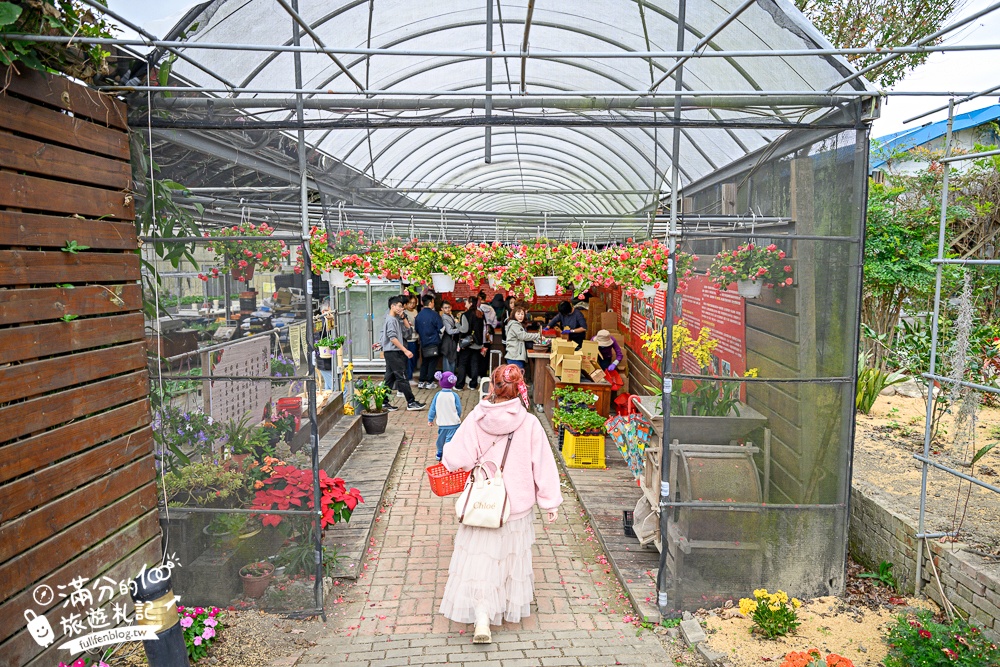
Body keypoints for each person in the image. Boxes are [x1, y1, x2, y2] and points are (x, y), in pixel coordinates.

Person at [440, 364, 562, 644]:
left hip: (482, 502)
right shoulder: (529, 422)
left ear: (492, 387)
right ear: (521, 389)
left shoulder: (476, 417)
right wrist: (550, 501)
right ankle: (503, 606)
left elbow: (456, 458)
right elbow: (542, 465)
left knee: (480, 561)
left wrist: (448, 457)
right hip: (515, 505)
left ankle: (482, 617)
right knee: (509, 558)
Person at [379, 295, 425, 411]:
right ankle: (411, 402)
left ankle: (383, 402)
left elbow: (408, 333)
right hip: (394, 352)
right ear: (392, 306)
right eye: (399, 306)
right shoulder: (390, 320)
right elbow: (392, 337)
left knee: (389, 378)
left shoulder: (396, 319)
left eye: (402, 306)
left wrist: (404, 318)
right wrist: (405, 350)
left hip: (393, 351)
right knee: (402, 377)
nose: (401, 308)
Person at [428, 371, 462, 461]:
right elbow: (459, 408)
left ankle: (440, 452)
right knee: (450, 440)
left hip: (442, 422)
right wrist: (457, 416)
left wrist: (430, 419)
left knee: (441, 439)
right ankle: (448, 454)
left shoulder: (438, 395)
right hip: (453, 423)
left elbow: (433, 408)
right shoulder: (454, 395)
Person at [455, 296, 487, 391]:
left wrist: (457, 323)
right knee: (474, 364)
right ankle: (473, 385)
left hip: (468, 343)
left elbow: (464, 329)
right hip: (478, 343)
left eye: (467, 302)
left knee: (462, 364)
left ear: (471, 303)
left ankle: (459, 385)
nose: (465, 304)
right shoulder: (480, 314)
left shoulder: (466, 314)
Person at [415, 294, 443, 388]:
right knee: (432, 362)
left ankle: (421, 381)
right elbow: (441, 329)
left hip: (423, 342)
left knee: (424, 362)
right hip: (434, 342)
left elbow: (417, 329)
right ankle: (430, 382)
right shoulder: (434, 315)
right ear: (431, 303)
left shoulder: (419, 315)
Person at [504, 304, 542, 370]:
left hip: (514, 355)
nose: (520, 316)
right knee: (516, 377)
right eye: (518, 314)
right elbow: (523, 336)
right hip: (515, 356)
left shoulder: (515, 324)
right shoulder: (514, 325)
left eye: (522, 314)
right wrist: (538, 336)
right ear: (514, 315)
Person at [402, 294, 420, 382]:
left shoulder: (415, 311)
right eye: (410, 303)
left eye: (414, 303)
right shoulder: (404, 313)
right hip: (409, 338)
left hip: (416, 337)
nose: (412, 305)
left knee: (414, 358)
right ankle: (409, 377)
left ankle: (410, 375)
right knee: (410, 359)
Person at [439, 301, 460, 374]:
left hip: (452, 340)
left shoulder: (450, 315)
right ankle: (447, 378)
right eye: (445, 308)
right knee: (448, 359)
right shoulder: (444, 318)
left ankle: (451, 377)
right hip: (447, 341)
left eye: (449, 307)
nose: (447, 309)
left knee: (452, 358)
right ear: (442, 309)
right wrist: (460, 329)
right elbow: (449, 331)